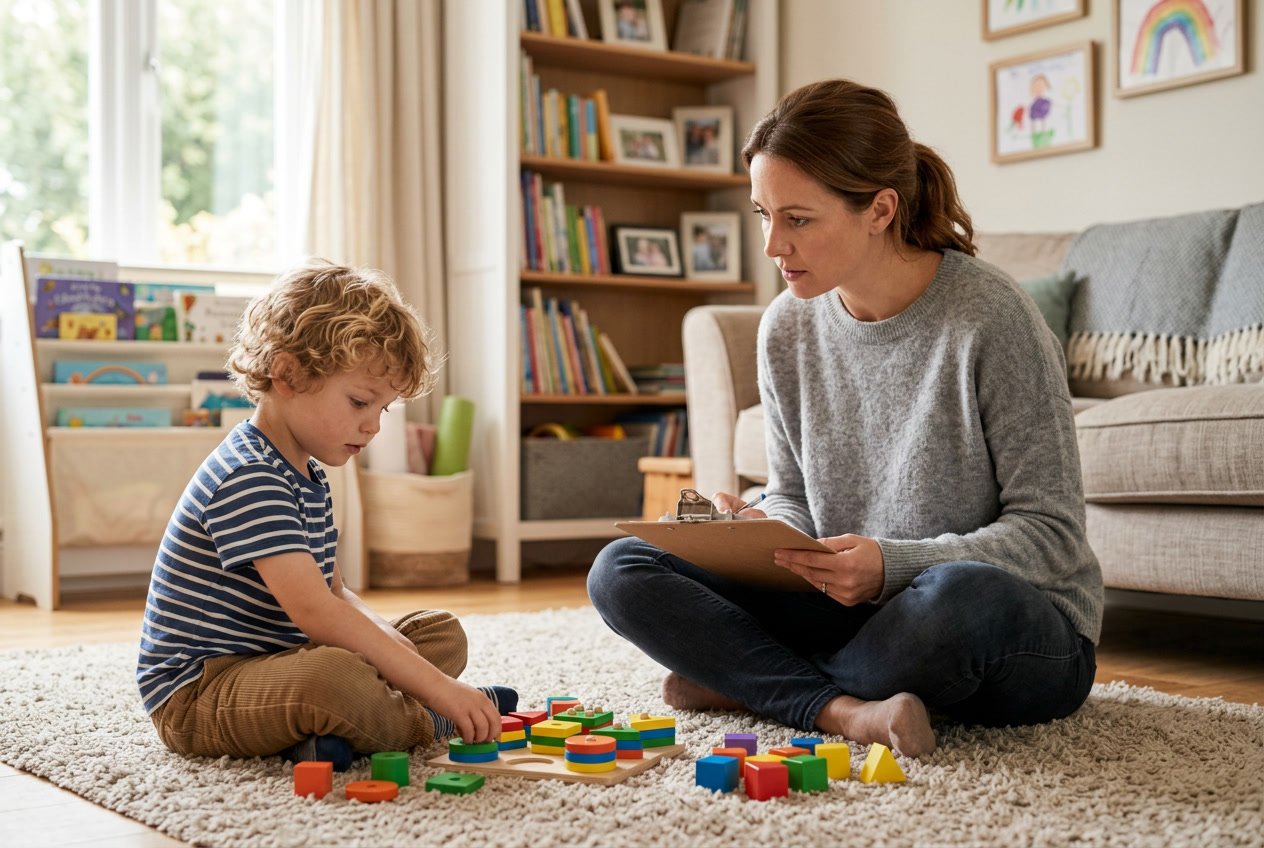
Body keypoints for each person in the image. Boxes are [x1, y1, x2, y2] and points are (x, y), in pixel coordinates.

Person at [587, 79, 1102, 758]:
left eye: (798, 219)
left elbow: (1051, 535)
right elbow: (796, 499)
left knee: (962, 598)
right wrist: (751, 530)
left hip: (1010, 630)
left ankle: (756, 683)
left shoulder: (993, 319)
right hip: (850, 614)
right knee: (621, 568)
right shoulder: (785, 328)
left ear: (880, 209)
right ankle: (844, 709)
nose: (773, 245)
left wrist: (891, 565)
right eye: (763, 214)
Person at [137, 260, 515, 771]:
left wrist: (405, 655)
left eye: (381, 410)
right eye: (360, 402)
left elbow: (336, 594)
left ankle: (331, 732)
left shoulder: (307, 472)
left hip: (279, 661)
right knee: (333, 678)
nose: (373, 426)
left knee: (439, 634)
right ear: (287, 375)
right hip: (200, 695)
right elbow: (316, 613)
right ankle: (425, 722)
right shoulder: (249, 475)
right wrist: (439, 692)